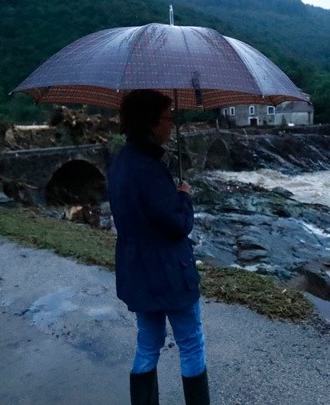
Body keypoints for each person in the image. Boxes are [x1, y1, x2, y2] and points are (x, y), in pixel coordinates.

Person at [108, 89, 210, 405]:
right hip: (168, 269)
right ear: (152, 124)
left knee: (148, 342)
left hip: (135, 268)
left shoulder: (121, 162)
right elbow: (177, 226)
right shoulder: (151, 169)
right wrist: (184, 196)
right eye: (169, 117)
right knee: (191, 342)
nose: (171, 123)